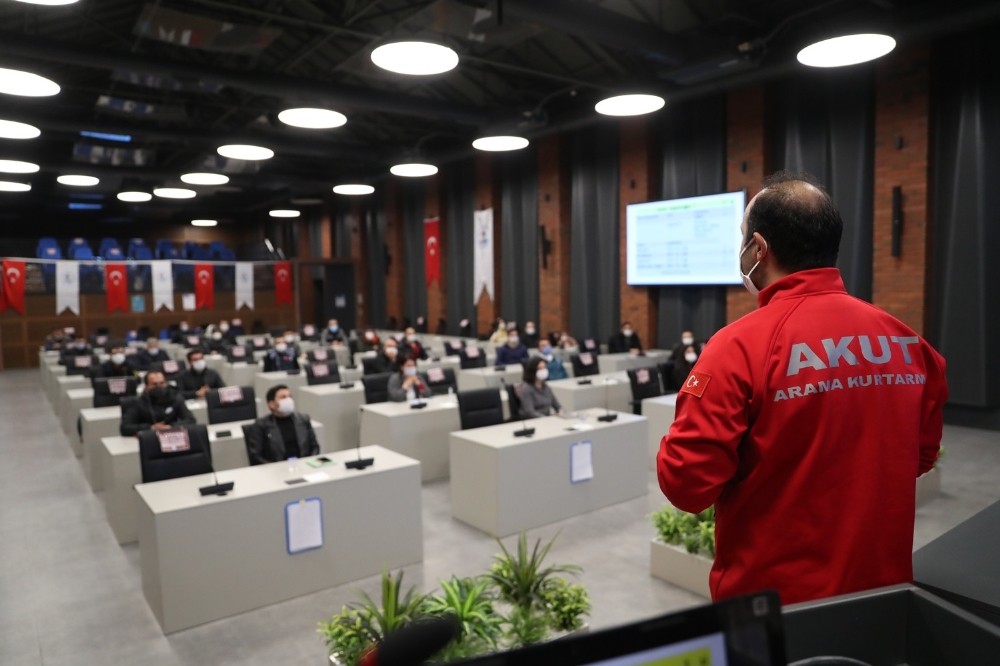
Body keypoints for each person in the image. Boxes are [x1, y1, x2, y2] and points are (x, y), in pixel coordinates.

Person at [657, 172, 948, 606]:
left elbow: (686, 484)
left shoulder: (736, 348)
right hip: (885, 597)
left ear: (758, 248)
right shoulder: (906, 342)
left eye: (741, 239)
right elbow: (921, 456)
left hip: (774, 608)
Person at [244, 384, 320, 465]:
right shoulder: (260, 425)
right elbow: (255, 456)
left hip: (303, 466)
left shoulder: (304, 419)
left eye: (290, 396)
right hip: (275, 471)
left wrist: (307, 464)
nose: (288, 400)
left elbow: (315, 447)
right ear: (271, 404)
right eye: (283, 397)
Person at [120, 371, 196, 436]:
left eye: (162, 383)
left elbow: (191, 420)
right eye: (154, 384)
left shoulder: (175, 398)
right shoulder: (137, 403)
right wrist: (151, 427)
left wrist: (170, 427)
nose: (159, 387)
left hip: (171, 437)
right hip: (147, 438)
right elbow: (125, 427)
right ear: (146, 387)